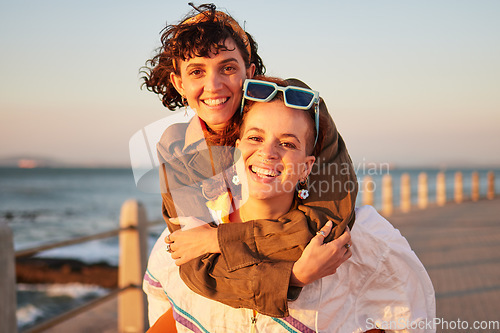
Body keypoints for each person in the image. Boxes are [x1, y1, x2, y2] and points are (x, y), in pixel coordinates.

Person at [144, 76, 436, 332]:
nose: (268, 153)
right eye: (255, 137)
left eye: (288, 143)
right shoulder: (185, 241)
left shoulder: (360, 243)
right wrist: (292, 277)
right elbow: (166, 306)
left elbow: (410, 317)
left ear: (308, 167)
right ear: (234, 150)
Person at [141, 3, 358, 318]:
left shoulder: (297, 107)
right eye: (197, 71)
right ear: (180, 84)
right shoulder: (177, 151)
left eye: (227, 68)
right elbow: (199, 267)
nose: (214, 86)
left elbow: (326, 226)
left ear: (249, 73)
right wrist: (294, 277)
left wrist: (217, 238)